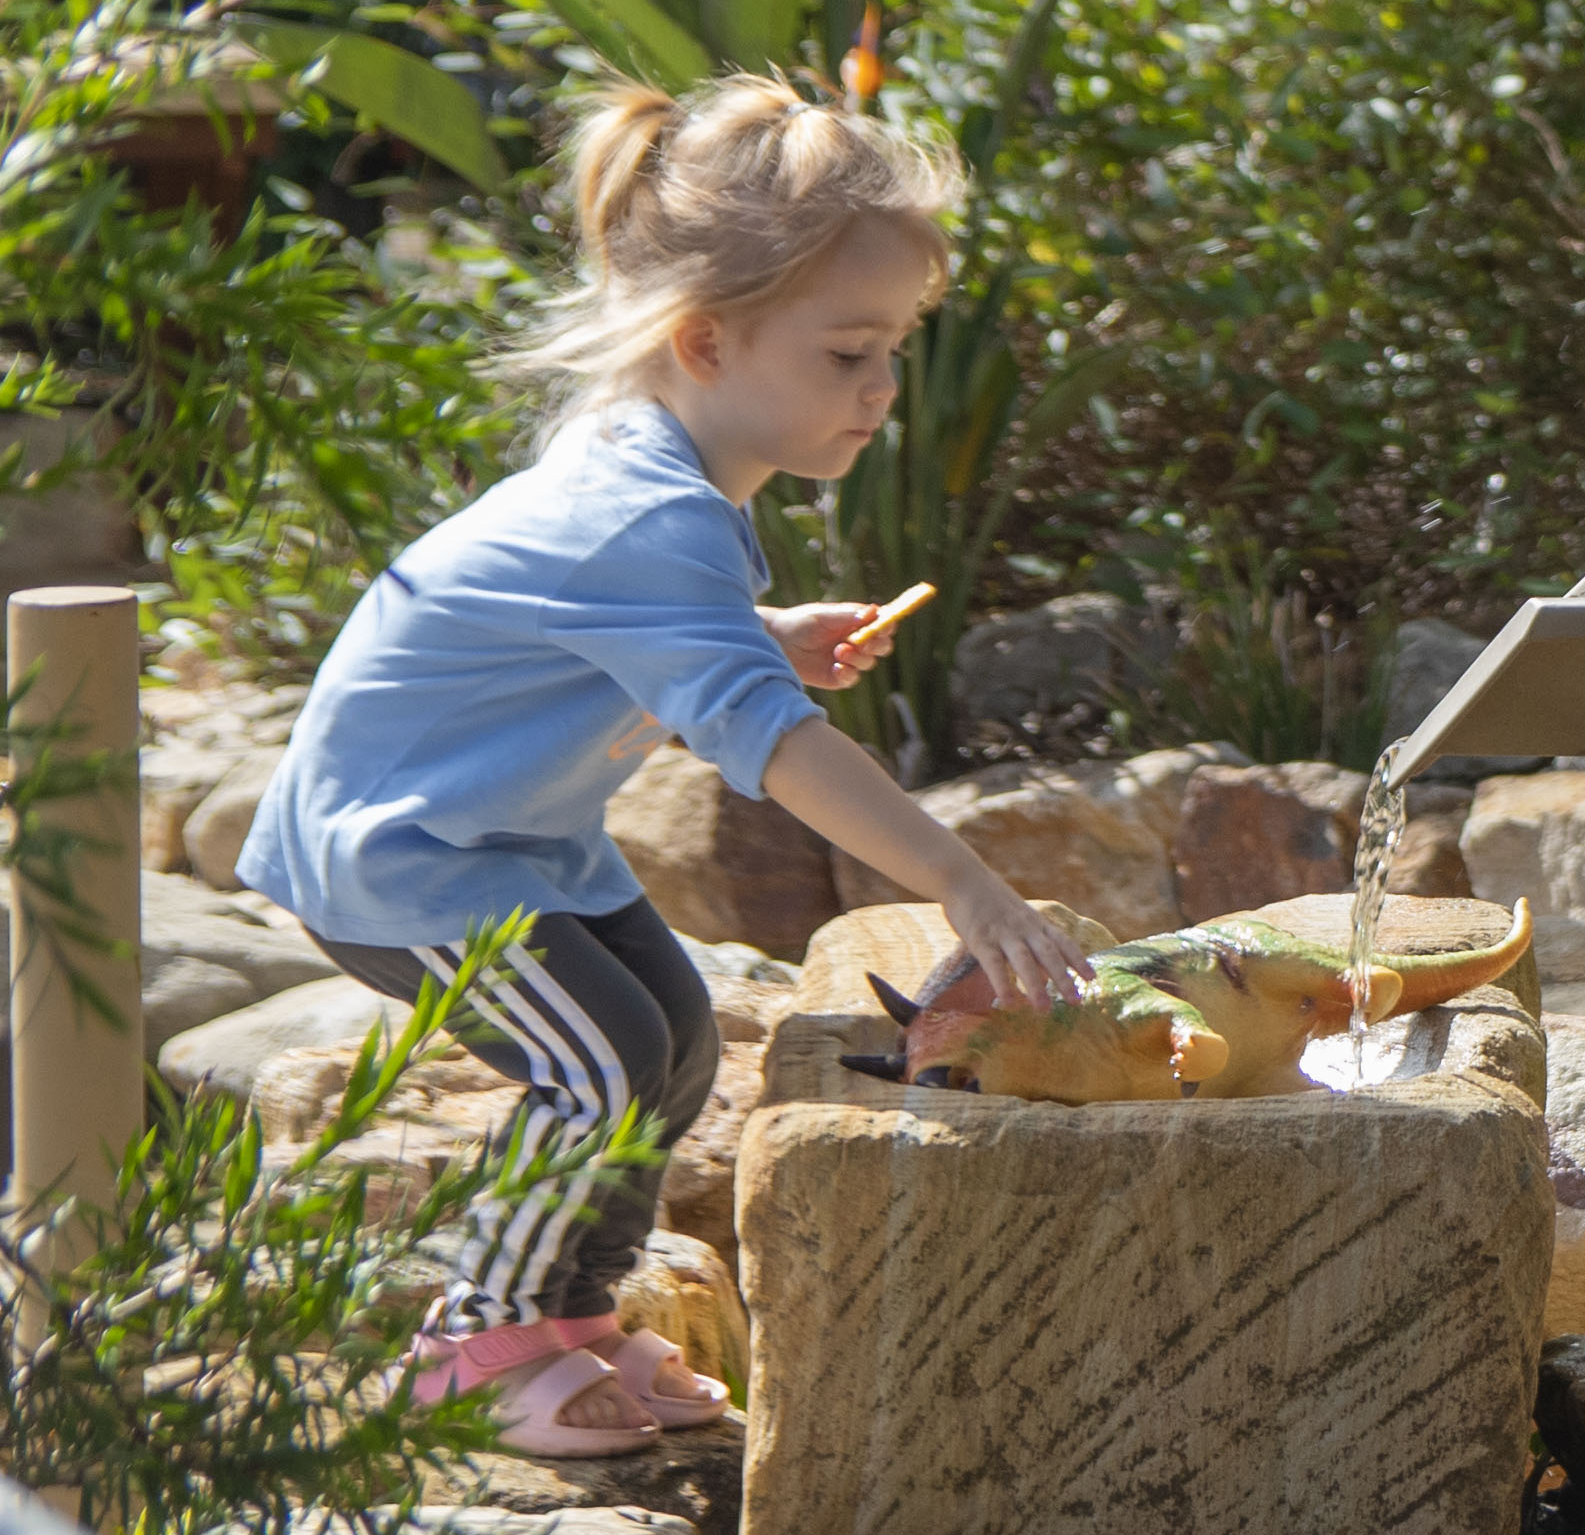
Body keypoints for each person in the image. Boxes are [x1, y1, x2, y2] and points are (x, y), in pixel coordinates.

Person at [242, 77, 1095, 1457]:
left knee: (674, 1040)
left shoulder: (651, 483)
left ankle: (568, 1320)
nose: (882, 390)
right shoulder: (651, 514)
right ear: (704, 340)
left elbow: (601, 631)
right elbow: (774, 751)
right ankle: (473, 1342)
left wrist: (761, 639)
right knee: (596, 1067)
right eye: (846, 355)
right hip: (403, 856)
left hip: (503, 839)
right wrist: (962, 884)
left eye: (894, 352)